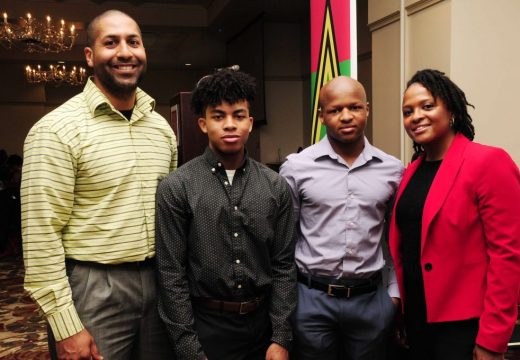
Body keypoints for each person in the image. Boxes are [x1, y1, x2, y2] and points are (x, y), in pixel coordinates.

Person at [21, 10, 177, 360]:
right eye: (111, 43)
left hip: (158, 282)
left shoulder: (161, 129)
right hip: (93, 287)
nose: (125, 52)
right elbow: (41, 235)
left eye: (133, 42)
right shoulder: (56, 130)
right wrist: (65, 325)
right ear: (90, 56)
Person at [156, 68, 297, 360]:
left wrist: (281, 336)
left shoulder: (275, 186)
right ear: (203, 124)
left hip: (262, 326)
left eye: (239, 115)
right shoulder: (177, 186)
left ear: (250, 122)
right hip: (206, 326)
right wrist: (188, 349)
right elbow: (171, 274)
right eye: (218, 116)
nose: (229, 124)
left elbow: (284, 265)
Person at [390, 69, 520, 360]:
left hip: (465, 326)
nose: (416, 116)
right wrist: (402, 317)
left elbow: (508, 255)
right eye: (408, 111)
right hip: (417, 320)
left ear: (451, 111)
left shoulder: (488, 162)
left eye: (427, 106)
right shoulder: (412, 171)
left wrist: (492, 338)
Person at [279, 76, 404, 359]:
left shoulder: (393, 170)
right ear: (322, 116)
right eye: (335, 110)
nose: (346, 116)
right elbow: (285, 240)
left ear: (367, 109)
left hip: (370, 302)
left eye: (355, 107)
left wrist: (393, 297)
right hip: (311, 300)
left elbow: (395, 239)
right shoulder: (296, 168)